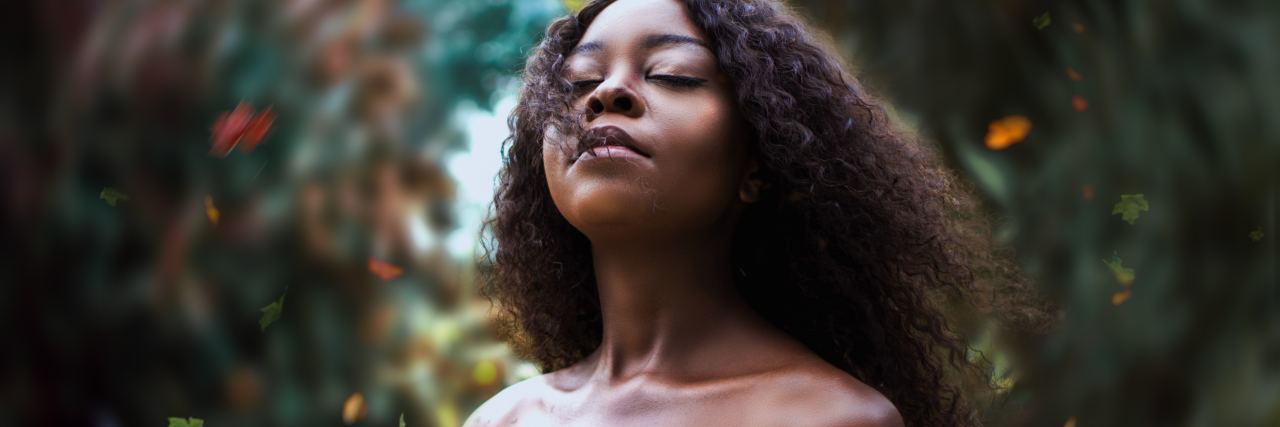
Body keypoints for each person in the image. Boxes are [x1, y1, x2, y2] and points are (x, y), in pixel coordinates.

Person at [467, 0, 1051, 425]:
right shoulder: (503, 420)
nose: (605, 95)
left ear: (758, 163)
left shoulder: (831, 419)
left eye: (674, 75)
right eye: (579, 81)